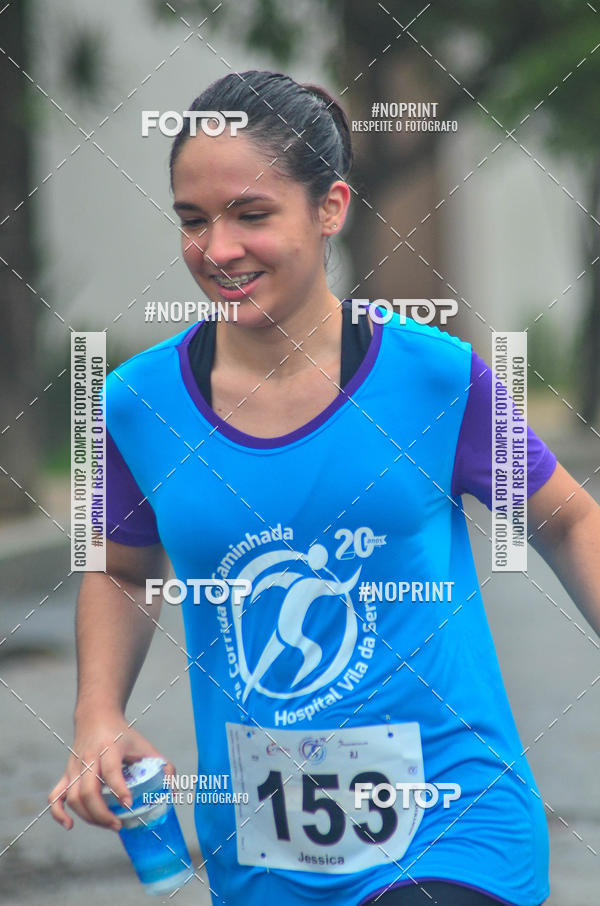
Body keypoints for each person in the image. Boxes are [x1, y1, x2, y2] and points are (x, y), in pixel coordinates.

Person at [49, 70, 600, 906]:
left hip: (455, 823)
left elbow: (565, 520)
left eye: (251, 214)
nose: (217, 249)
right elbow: (123, 568)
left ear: (331, 208)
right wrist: (98, 717)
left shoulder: (432, 377)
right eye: (193, 221)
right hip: (264, 853)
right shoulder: (136, 404)